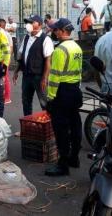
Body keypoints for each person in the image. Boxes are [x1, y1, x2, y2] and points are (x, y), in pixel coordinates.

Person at [44, 18, 83, 176]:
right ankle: (74, 158)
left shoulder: (60, 50)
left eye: (55, 30)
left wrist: (50, 98)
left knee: (61, 129)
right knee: (75, 125)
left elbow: (55, 77)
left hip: (62, 93)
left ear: (61, 31)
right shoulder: (76, 47)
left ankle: (63, 164)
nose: (53, 32)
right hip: (74, 90)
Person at [13, 15, 53, 116]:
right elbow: (21, 55)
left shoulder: (45, 39)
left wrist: (45, 78)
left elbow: (48, 60)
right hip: (26, 76)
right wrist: (16, 71)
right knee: (26, 101)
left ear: (39, 24)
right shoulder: (27, 37)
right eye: (28, 23)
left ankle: (48, 124)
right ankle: (28, 122)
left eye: (31, 22)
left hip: (38, 77)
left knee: (44, 102)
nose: (29, 25)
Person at [0, 18, 13, 104]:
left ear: (0, 25)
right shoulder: (6, 34)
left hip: (3, 59)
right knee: (3, 78)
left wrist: (6, 60)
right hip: (3, 59)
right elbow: (11, 48)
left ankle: (6, 97)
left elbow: (10, 48)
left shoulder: (4, 34)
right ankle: (4, 96)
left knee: (5, 78)